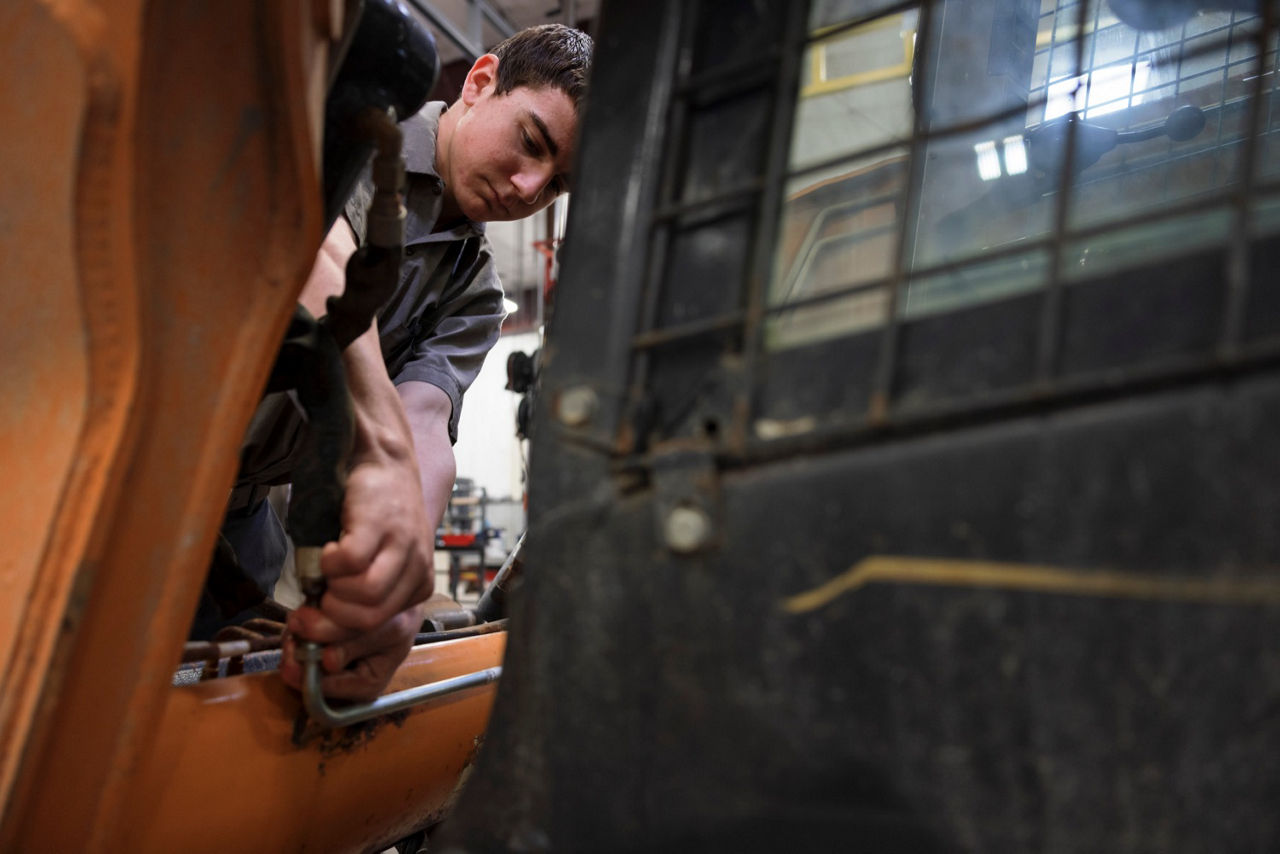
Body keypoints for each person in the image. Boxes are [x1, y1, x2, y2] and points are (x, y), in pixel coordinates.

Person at [218, 23, 592, 700]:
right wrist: (380, 443)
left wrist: (395, 576)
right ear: (479, 84)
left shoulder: (475, 296)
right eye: (531, 142)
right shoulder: (353, 118)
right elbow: (312, 247)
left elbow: (424, 423)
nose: (529, 185)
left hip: (242, 526)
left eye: (557, 183)